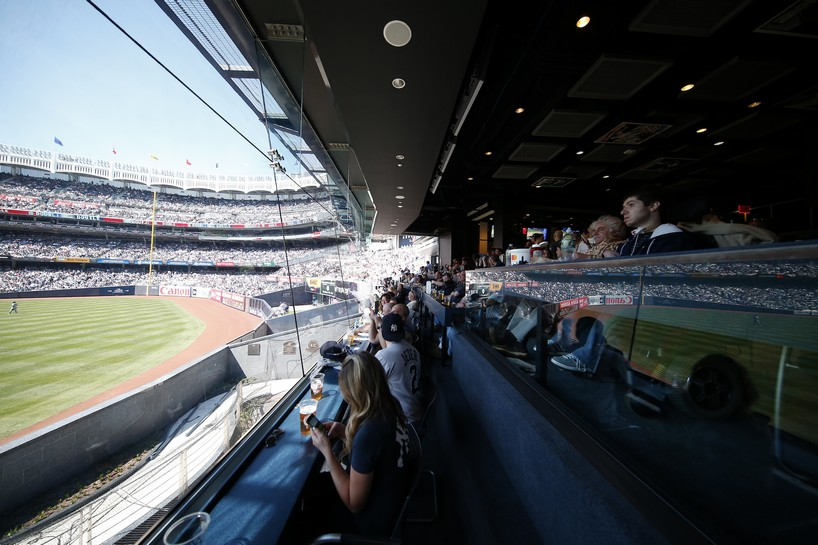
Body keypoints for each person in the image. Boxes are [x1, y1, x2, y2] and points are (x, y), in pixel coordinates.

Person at [308, 352, 412, 536]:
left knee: (305, 514)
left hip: (370, 523)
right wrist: (345, 433)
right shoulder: (390, 404)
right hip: (389, 495)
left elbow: (353, 504)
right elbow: (377, 454)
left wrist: (328, 453)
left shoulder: (369, 434)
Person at [618, 186, 697, 255]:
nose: (623, 212)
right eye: (623, 207)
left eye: (631, 204)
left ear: (653, 206)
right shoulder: (630, 242)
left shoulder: (673, 239)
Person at [375, 312, 423, 422]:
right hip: (416, 412)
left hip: (400, 420)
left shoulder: (383, 356)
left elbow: (368, 388)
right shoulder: (414, 350)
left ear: (382, 333)